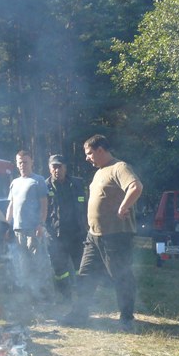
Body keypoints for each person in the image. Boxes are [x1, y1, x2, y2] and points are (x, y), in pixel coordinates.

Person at [64, 135, 143, 331]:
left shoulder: (119, 167)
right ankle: (79, 314)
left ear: (101, 150)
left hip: (116, 234)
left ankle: (126, 318)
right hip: (95, 235)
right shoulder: (100, 172)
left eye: (89, 153)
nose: (87, 158)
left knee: (120, 275)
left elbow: (136, 187)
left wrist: (124, 206)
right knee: (85, 275)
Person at [6, 150, 51, 300]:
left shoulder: (38, 180)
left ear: (32, 162)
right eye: (20, 162)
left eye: (25, 162)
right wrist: (6, 226)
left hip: (33, 229)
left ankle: (44, 294)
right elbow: (11, 206)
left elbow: (44, 205)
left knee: (38, 262)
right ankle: (30, 295)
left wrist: (41, 224)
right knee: (22, 264)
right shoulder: (14, 182)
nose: (22, 165)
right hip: (17, 230)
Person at [45, 155, 88, 301]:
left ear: (65, 167)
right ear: (50, 169)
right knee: (59, 270)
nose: (57, 170)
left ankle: (83, 295)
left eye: (60, 166)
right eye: (54, 167)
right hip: (55, 235)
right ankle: (65, 296)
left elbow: (86, 206)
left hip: (77, 233)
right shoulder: (45, 186)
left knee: (80, 267)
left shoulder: (78, 184)